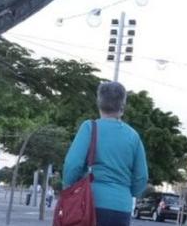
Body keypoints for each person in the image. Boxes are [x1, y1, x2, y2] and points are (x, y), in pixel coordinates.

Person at [62, 81, 149, 226]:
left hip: (90, 202)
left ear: (99, 102)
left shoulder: (89, 128)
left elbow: (73, 165)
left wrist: (69, 185)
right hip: (121, 206)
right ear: (123, 105)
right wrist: (128, 192)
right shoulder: (133, 136)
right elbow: (141, 176)